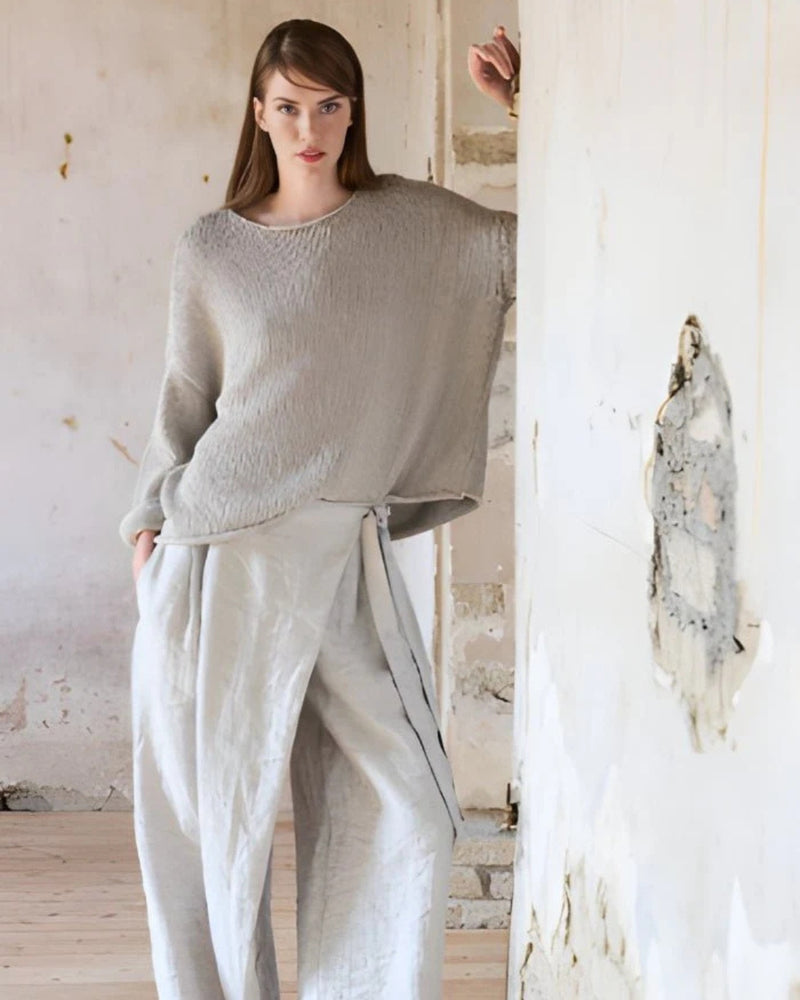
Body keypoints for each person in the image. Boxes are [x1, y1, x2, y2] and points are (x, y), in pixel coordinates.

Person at [119, 17, 520, 1000]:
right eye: (290, 106)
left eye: (329, 105)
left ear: (354, 111)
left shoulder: (413, 225)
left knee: (411, 810)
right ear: (259, 113)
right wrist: (147, 522)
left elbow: (534, 248)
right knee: (209, 829)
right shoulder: (212, 249)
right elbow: (187, 397)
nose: (310, 128)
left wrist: (526, 113)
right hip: (214, 552)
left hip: (341, 552)